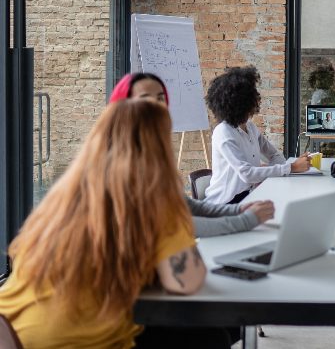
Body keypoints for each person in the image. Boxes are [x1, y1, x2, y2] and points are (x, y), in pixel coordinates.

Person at [0, 100, 230, 348]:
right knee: (212, 336)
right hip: (79, 342)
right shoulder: (150, 208)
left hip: (15, 332)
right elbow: (188, 281)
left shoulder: (58, 202)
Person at [108, 72, 276, 237]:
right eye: (145, 98)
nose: (155, 105)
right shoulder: (122, 162)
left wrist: (238, 210)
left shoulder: (150, 155)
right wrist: (246, 220)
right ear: (124, 108)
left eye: (160, 98)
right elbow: (182, 223)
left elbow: (182, 205)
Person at [204, 65, 311, 204]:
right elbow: (247, 175)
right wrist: (292, 167)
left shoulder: (250, 127)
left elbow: (275, 156)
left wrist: (269, 170)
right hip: (224, 203)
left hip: (249, 196)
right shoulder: (223, 132)